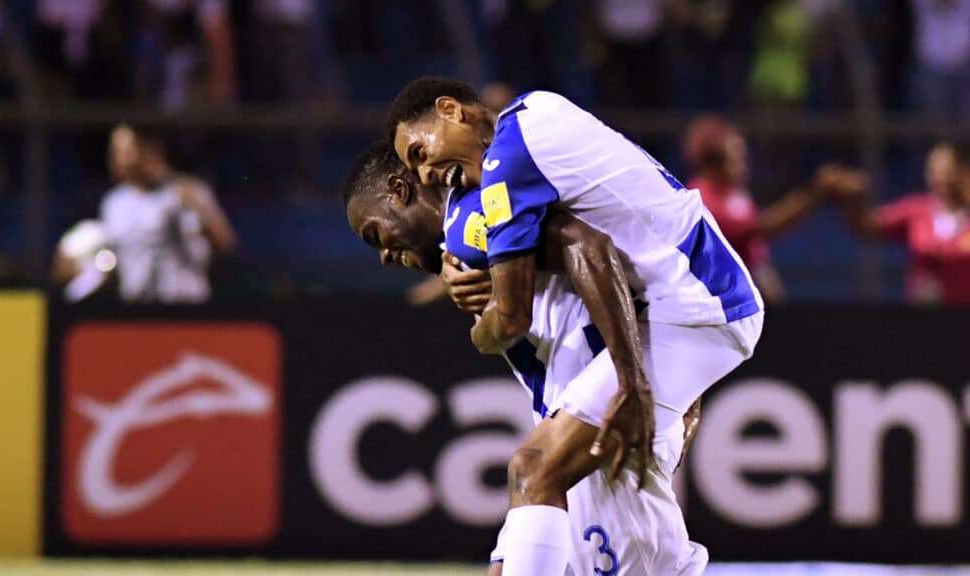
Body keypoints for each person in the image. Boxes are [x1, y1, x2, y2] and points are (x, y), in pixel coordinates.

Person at [388, 77, 763, 575]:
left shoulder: (507, 166)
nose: (428, 173)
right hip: (682, 305)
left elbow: (515, 314)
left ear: (450, 109)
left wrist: (632, 383)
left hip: (695, 303)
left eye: (420, 151)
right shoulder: (536, 112)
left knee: (536, 470)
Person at [344, 142, 707, 576]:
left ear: (398, 189)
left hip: (599, 438)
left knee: (534, 475)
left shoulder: (480, 215)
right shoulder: (465, 247)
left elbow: (586, 244)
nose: (384, 255)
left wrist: (649, 383)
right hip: (569, 434)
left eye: (374, 234)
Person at [682, 115, 851, 302]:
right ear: (713, 163)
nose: (745, 168)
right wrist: (815, 193)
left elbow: (758, 256)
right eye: (737, 159)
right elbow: (765, 227)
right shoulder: (701, 200)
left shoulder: (736, 195)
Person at [100, 124, 236, 304]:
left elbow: (225, 243)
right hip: (136, 309)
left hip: (185, 307)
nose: (118, 160)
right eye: (115, 152)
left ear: (149, 150)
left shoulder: (187, 190)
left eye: (126, 152)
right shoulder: (114, 203)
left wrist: (199, 210)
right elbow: (113, 261)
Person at [838, 142, 970, 304]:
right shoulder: (915, 210)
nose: (940, 178)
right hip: (923, 316)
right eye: (933, 172)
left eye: (948, 172)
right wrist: (851, 201)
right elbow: (865, 227)